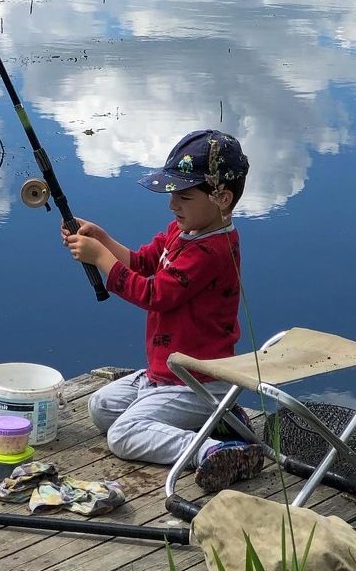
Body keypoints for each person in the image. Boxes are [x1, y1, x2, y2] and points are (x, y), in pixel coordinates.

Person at [61, 129, 262, 493]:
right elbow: (141, 263)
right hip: (165, 373)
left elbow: (154, 294)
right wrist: (103, 239)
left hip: (198, 380)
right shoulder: (183, 231)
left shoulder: (211, 251)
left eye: (184, 196)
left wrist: (100, 258)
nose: (173, 205)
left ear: (222, 198)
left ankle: (214, 449)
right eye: (172, 194)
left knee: (122, 435)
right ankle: (218, 421)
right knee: (100, 407)